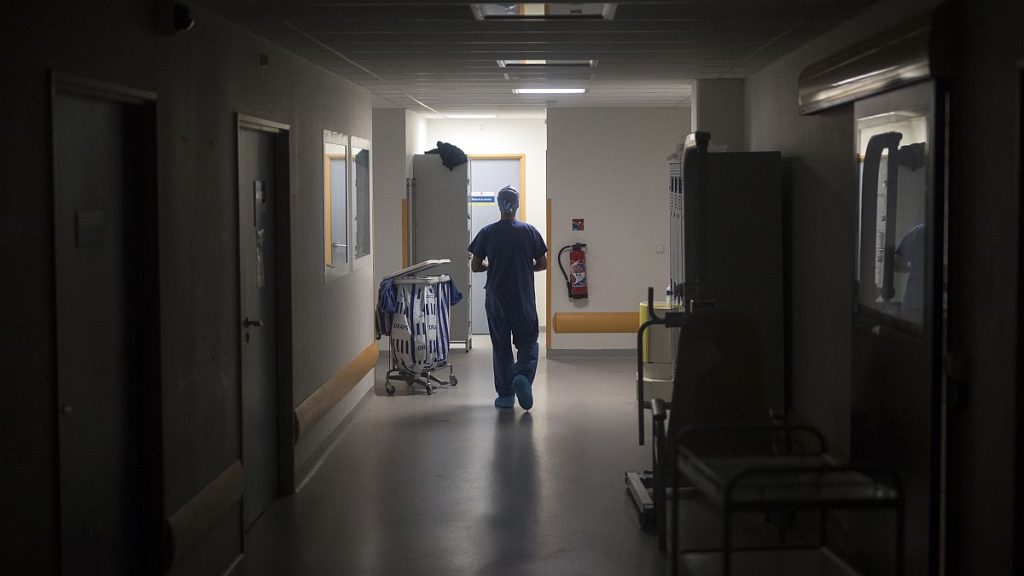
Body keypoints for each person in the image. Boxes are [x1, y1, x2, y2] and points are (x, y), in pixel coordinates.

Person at [468, 186, 548, 409]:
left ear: (499, 205)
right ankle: (522, 375)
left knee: (501, 347)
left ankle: (505, 395)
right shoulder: (529, 231)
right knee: (528, 342)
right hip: (523, 299)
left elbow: (475, 266)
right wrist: (523, 266)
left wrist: (490, 265)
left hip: (496, 300)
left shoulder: (487, 232)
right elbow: (543, 263)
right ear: (517, 204)